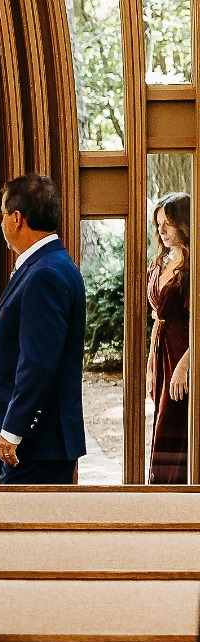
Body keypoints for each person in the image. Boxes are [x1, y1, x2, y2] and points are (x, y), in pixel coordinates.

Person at [0, 173, 86, 485]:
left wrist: (13, 431)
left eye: (0, 215)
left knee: (17, 531)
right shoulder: (47, 265)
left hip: (37, 443)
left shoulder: (46, 274)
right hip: (39, 443)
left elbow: (39, 362)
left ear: (17, 219)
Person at [147, 192, 190, 484]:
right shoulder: (160, 263)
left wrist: (185, 366)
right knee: (160, 419)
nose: (161, 230)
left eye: (168, 223)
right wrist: (151, 363)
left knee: (175, 423)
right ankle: (159, 491)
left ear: (183, 224)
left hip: (184, 352)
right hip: (162, 352)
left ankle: (175, 493)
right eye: (159, 223)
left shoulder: (195, 266)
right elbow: (157, 320)